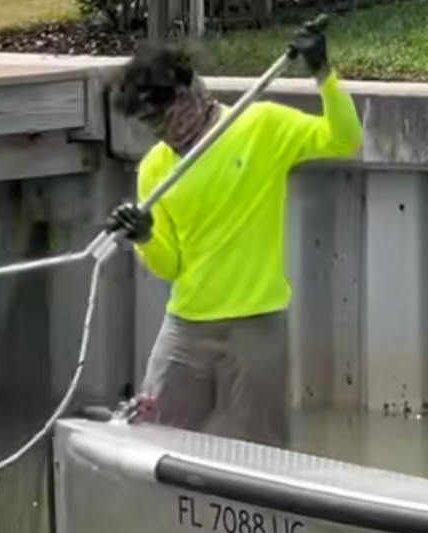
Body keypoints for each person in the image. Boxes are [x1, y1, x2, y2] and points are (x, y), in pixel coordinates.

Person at [106, 22, 363, 447]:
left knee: (263, 446)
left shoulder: (260, 125)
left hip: (257, 326)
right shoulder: (155, 168)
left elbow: (345, 139)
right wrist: (146, 236)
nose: (162, 131)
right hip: (187, 327)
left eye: (163, 115)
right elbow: (171, 266)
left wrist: (322, 73)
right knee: (150, 431)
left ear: (188, 91)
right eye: (149, 124)